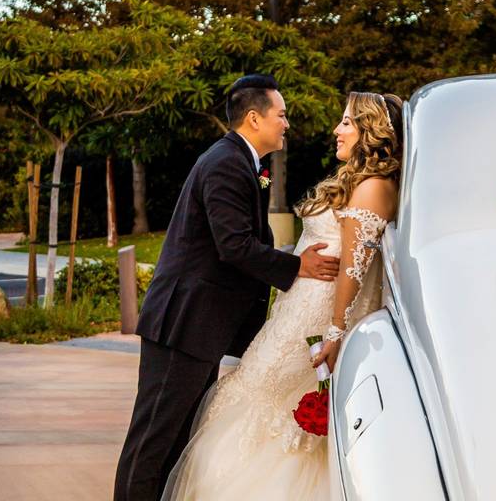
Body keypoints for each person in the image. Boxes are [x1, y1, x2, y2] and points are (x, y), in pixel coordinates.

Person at [160, 91, 402, 500]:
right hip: (295, 314)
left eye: (346, 122)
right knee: (251, 398)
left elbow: (354, 271)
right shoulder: (352, 182)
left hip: (317, 322)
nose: (336, 130)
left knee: (278, 415)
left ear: (369, 131)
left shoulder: (375, 188)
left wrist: (334, 333)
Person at [114, 74, 340, 501]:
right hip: (183, 323)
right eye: (282, 114)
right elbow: (234, 245)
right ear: (254, 118)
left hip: (201, 327)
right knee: (153, 441)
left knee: (177, 438)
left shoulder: (242, 162)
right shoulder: (225, 163)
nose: (287, 123)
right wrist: (298, 267)